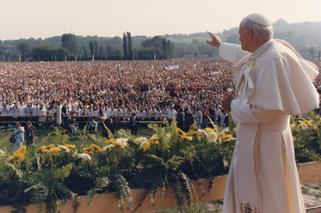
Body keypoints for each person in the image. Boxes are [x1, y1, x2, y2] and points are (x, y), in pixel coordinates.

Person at [207, 13, 319, 213]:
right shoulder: (265, 51)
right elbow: (245, 56)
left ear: (250, 33)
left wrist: (231, 105)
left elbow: (266, 112)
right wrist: (221, 46)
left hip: (267, 145)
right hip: (257, 140)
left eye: (240, 34)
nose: (238, 38)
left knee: (269, 199)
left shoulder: (272, 59)